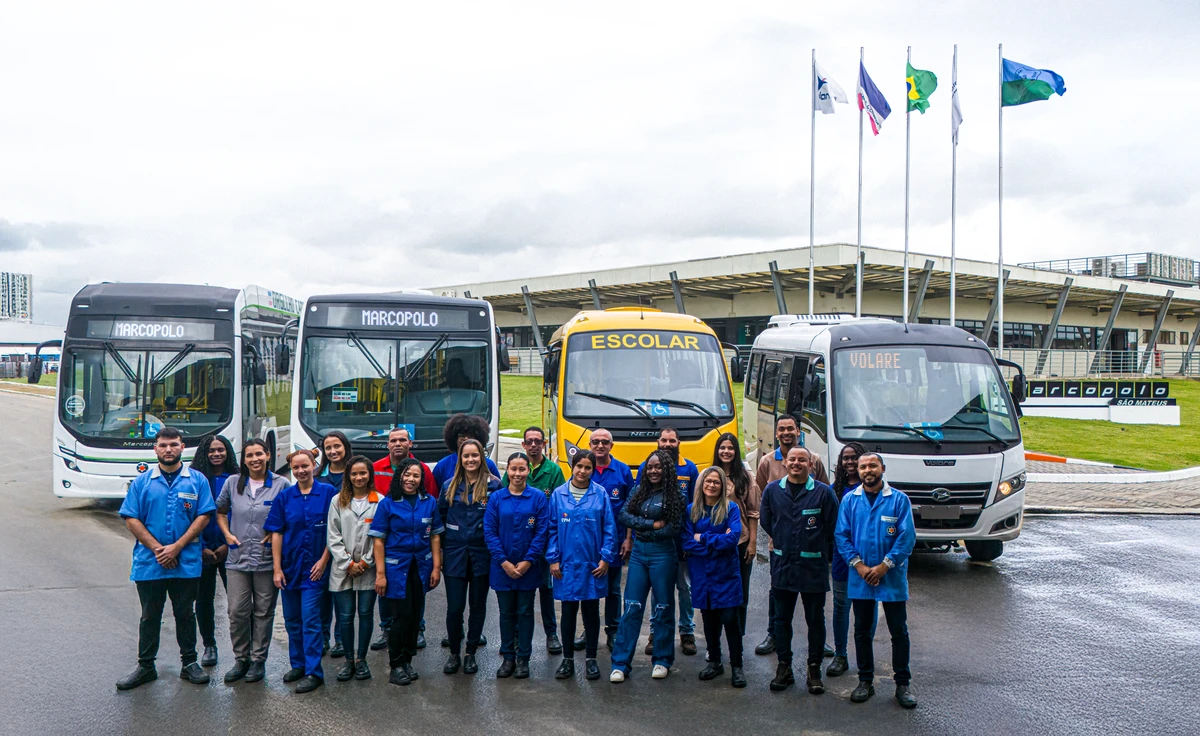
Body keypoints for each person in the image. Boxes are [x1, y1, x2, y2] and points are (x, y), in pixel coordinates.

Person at [115, 427, 216, 690]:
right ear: (155, 449)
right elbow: (131, 518)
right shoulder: (142, 482)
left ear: (182, 447)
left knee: (185, 613)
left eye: (173, 444)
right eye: (163, 445)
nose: (168, 449)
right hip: (150, 562)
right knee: (150, 615)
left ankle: (189, 663)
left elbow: (204, 515)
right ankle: (146, 666)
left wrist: (177, 548)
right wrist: (160, 549)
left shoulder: (197, 481)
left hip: (186, 561)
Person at [835, 452, 917, 709]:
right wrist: (858, 566)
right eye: (863, 467)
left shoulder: (899, 500)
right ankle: (865, 681)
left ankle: (902, 684)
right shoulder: (850, 500)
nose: (867, 470)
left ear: (883, 468)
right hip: (860, 576)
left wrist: (885, 565)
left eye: (872, 465)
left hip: (891, 576)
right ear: (857, 471)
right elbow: (841, 536)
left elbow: (907, 537)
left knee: (898, 631)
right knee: (861, 630)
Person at [760, 447, 838, 696]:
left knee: (815, 620)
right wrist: (783, 540)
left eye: (802, 460)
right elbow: (766, 521)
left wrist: (813, 545)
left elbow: (832, 527)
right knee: (781, 619)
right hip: (783, 565)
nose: (796, 463)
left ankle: (814, 669)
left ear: (811, 465)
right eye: (792, 459)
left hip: (812, 566)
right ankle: (784, 667)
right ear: (785, 463)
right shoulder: (772, 491)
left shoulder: (824, 493)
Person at [214, 439, 289, 684]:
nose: (255, 459)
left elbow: (290, 516)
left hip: (267, 559)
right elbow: (220, 511)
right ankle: (241, 658)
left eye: (259, 454)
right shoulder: (233, 482)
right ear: (243, 459)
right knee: (237, 611)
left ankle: (258, 660)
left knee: (264, 611)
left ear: (268, 455)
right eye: (249, 455)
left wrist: (276, 531)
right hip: (237, 557)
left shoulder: (281, 484)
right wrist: (226, 534)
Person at [754, 413, 829, 657]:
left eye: (790, 428)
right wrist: (780, 534)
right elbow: (764, 503)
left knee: (814, 602)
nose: (786, 432)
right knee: (778, 593)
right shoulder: (766, 462)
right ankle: (773, 635)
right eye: (781, 429)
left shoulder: (814, 459)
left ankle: (819, 644)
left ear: (798, 431)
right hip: (779, 544)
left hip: (810, 546)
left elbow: (826, 498)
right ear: (776, 433)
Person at [264, 449, 338, 694]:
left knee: (310, 620)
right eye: (296, 467)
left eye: (305, 466)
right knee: (292, 620)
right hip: (290, 568)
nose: (301, 471)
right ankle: (298, 664)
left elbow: (335, 530)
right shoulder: (285, 497)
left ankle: (314, 672)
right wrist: (277, 569)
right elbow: (277, 532)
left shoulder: (328, 493)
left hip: (315, 570)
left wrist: (324, 560)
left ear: (314, 465)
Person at [610, 450, 685, 683]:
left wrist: (644, 530)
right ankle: (620, 664)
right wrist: (651, 525)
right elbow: (624, 515)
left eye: (658, 467)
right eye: (650, 467)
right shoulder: (638, 490)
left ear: (666, 469)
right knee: (632, 607)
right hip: (639, 555)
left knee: (663, 607)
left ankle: (662, 660)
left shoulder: (676, 495)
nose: (653, 471)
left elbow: (673, 529)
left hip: (663, 554)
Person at [369, 458, 444, 686]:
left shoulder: (429, 502)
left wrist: (436, 567)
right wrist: (380, 575)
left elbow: (435, 536)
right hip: (396, 568)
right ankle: (396, 665)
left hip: (420, 567)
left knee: (414, 617)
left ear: (421, 479)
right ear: (399, 476)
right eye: (407, 474)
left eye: (416, 475)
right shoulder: (388, 504)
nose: (411, 479)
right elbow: (379, 541)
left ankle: (408, 660)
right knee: (401, 617)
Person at [546, 450, 616, 681]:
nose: (583, 471)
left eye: (588, 467)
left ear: (593, 470)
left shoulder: (600, 494)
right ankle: (567, 659)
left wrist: (605, 558)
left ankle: (591, 659)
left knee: (591, 611)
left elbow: (609, 528)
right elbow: (552, 528)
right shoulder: (559, 494)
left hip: (591, 565)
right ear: (572, 466)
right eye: (579, 466)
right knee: (568, 611)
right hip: (565, 565)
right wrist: (553, 559)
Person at [500, 426, 566, 654]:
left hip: (543, 541)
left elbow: (558, 505)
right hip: (517, 541)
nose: (534, 445)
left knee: (546, 587)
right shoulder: (515, 468)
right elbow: (504, 497)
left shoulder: (553, 471)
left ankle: (551, 633)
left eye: (538, 441)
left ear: (544, 444)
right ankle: (516, 634)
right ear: (523, 444)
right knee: (518, 590)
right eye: (530, 441)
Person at [485, 452, 550, 679]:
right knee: (506, 613)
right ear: (508, 471)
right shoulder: (497, 498)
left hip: (528, 568)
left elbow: (542, 532)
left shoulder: (538, 498)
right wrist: (503, 561)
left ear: (528, 471)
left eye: (522, 469)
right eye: (513, 469)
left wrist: (528, 560)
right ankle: (508, 657)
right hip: (501, 567)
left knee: (525, 612)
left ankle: (523, 658)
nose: (517, 473)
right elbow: (490, 532)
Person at [371, 427, 435, 652]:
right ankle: (387, 629)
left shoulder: (423, 469)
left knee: (417, 591)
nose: (398, 443)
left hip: (417, 547)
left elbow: (430, 501)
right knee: (385, 589)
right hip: (387, 542)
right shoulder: (376, 469)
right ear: (387, 444)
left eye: (402, 440)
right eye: (393, 440)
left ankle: (418, 628)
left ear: (410, 443)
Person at [439, 438, 500, 676]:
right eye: (466, 456)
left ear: (482, 457)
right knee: (455, 608)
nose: (471, 459)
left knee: (477, 606)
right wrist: (440, 553)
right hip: (454, 554)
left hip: (481, 554)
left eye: (475, 455)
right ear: (460, 459)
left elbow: (498, 519)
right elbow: (440, 518)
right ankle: (454, 652)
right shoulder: (449, 485)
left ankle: (470, 653)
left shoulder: (494, 485)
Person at [637, 427, 698, 656]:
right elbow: (637, 502)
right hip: (656, 542)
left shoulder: (689, 468)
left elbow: (695, 507)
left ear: (678, 442)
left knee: (685, 588)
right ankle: (656, 632)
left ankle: (687, 632)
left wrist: (690, 539)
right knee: (658, 589)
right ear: (657, 441)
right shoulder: (646, 467)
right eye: (664, 440)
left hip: (682, 541)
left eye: (672, 440)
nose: (667, 444)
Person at [684, 467, 746, 688]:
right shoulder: (691, 510)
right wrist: (716, 541)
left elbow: (733, 539)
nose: (711, 485)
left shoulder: (731, 509)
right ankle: (715, 661)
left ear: (722, 486)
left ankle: (737, 666)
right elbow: (687, 542)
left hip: (726, 573)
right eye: (708, 481)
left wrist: (702, 538)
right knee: (709, 619)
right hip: (702, 574)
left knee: (730, 619)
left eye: (716, 482)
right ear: (701, 484)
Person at [327, 456, 380, 682]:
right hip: (343, 569)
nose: (359, 477)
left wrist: (365, 562)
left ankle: (361, 659)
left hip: (368, 568)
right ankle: (348, 660)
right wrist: (348, 563)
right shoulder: (337, 501)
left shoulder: (380, 501)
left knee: (366, 614)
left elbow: (380, 537)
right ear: (348, 476)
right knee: (346, 616)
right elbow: (333, 536)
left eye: (363, 473)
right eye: (354, 473)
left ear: (370, 475)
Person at [189, 434, 236, 669]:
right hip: (203, 550)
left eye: (221, 450)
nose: (216, 454)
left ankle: (244, 647)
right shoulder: (195, 480)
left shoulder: (237, 479)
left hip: (231, 549)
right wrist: (202, 547)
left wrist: (229, 543)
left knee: (237, 601)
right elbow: (189, 516)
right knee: (204, 600)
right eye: (211, 450)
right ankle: (209, 645)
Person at [587, 428, 634, 652]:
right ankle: (589, 629)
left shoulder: (623, 471)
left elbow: (631, 507)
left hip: (615, 541)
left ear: (611, 446)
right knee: (590, 588)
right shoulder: (584, 468)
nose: (600, 446)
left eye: (604, 442)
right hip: (588, 542)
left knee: (613, 589)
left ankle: (613, 629)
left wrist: (629, 539)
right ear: (590, 445)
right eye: (595, 442)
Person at [710, 432, 760, 639]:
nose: (726, 451)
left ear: (736, 451)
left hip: (740, 542)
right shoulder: (709, 475)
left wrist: (753, 543)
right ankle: (714, 641)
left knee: (739, 593)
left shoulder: (745, 477)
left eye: (730, 448)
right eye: (722, 447)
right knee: (715, 592)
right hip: (713, 543)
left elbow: (753, 512)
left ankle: (737, 639)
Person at [827, 442, 867, 678]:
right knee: (841, 607)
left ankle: (865, 656)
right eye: (846, 458)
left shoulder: (871, 488)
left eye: (854, 458)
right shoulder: (834, 490)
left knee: (865, 610)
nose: (850, 462)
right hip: (842, 559)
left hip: (868, 560)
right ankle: (840, 655)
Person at [318, 431, 352, 658]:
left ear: (345, 447)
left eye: (337, 446)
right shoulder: (317, 475)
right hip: (320, 543)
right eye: (328, 448)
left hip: (345, 544)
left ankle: (341, 638)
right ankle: (323, 637)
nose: (333, 451)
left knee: (342, 594)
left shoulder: (354, 473)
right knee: (322, 595)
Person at [431, 413, 501, 491]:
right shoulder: (442, 466)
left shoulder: (489, 465)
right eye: (462, 435)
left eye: (470, 435)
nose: (466, 438)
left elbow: (499, 493)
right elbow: (435, 494)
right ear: (454, 438)